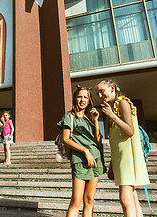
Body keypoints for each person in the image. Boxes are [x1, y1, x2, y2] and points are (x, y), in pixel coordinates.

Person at [95, 79, 150, 217]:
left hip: (128, 159)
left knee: (125, 199)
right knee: (132, 198)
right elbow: (117, 141)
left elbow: (130, 131)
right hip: (121, 160)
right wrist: (113, 164)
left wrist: (112, 116)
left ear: (112, 88)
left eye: (102, 91)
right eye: (98, 94)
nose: (100, 96)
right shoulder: (113, 107)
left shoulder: (123, 103)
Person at [58, 86, 106, 217]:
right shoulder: (70, 116)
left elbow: (98, 140)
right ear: (75, 98)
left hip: (96, 159)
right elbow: (66, 139)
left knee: (89, 200)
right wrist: (85, 151)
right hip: (80, 160)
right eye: (80, 96)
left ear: (89, 100)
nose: (82, 100)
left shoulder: (90, 118)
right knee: (76, 201)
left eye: (85, 97)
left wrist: (96, 121)